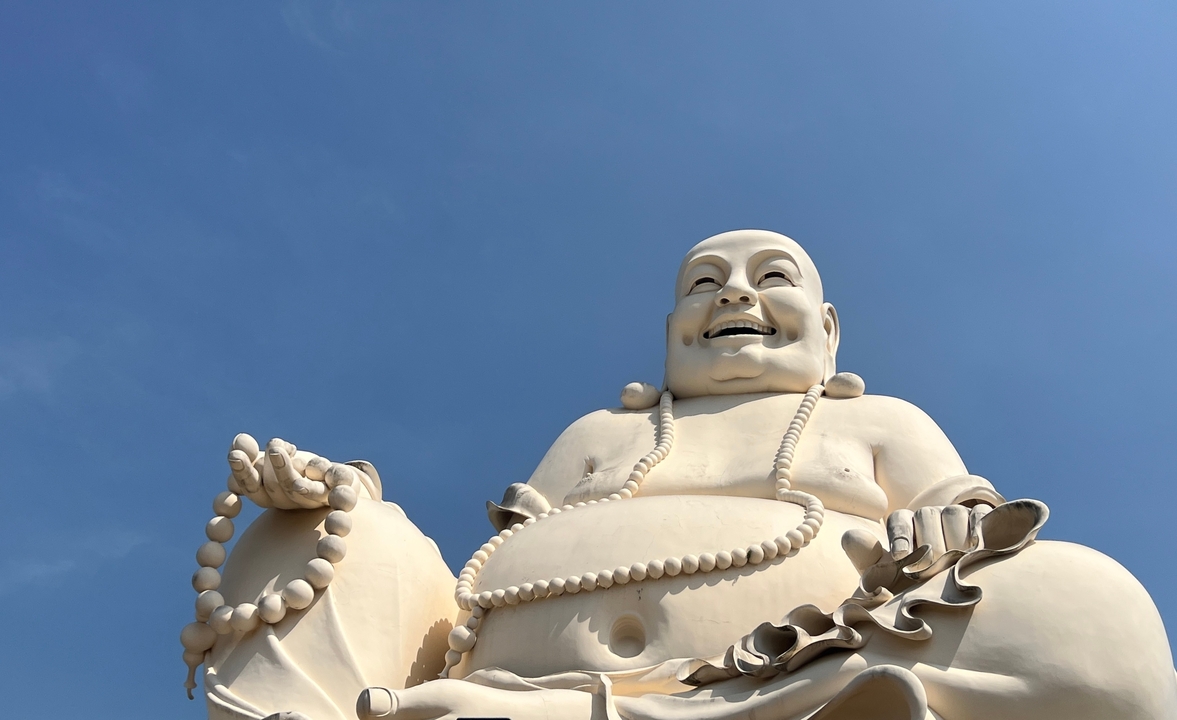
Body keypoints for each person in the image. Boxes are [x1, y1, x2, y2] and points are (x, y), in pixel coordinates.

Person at [197, 230, 1177, 720]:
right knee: (323, 531)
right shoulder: (598, 433)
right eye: (703, 284)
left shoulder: (877, 419)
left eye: (770, 276)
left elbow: (963, 516)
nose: (733, 294)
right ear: (672, 331)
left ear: (827, 329)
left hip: (809, 668)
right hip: (504, 674)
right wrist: (345, 506)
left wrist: (945, 525)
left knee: (1091, 615)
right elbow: (480, 573)